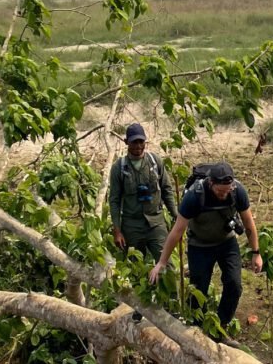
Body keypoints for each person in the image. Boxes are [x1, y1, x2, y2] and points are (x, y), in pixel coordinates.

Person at [148, 162, 262, 332]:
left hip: (226, 242)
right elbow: (177, 231)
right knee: (198, 289)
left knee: (234, 284)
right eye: (219, 191)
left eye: (227, 191)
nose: (223, 195)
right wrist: (162, 262)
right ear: (211, 183)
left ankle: (220, 326)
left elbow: (248, 222)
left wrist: (256, 253)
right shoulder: (195, 196)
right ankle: (195, 327)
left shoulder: (238, 191)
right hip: (199, 246)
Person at [108, 123, 177, 263]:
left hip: (156, 223)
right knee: (134, 268)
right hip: (132, 226)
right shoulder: (119, 168)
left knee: (166, 265)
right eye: (134, 142)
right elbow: (114, 201)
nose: (138, 146)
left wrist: (176, 216)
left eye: (141, 141)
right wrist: (117, 231)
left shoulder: (155, 161)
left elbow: (167, 190)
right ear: (126, 142)